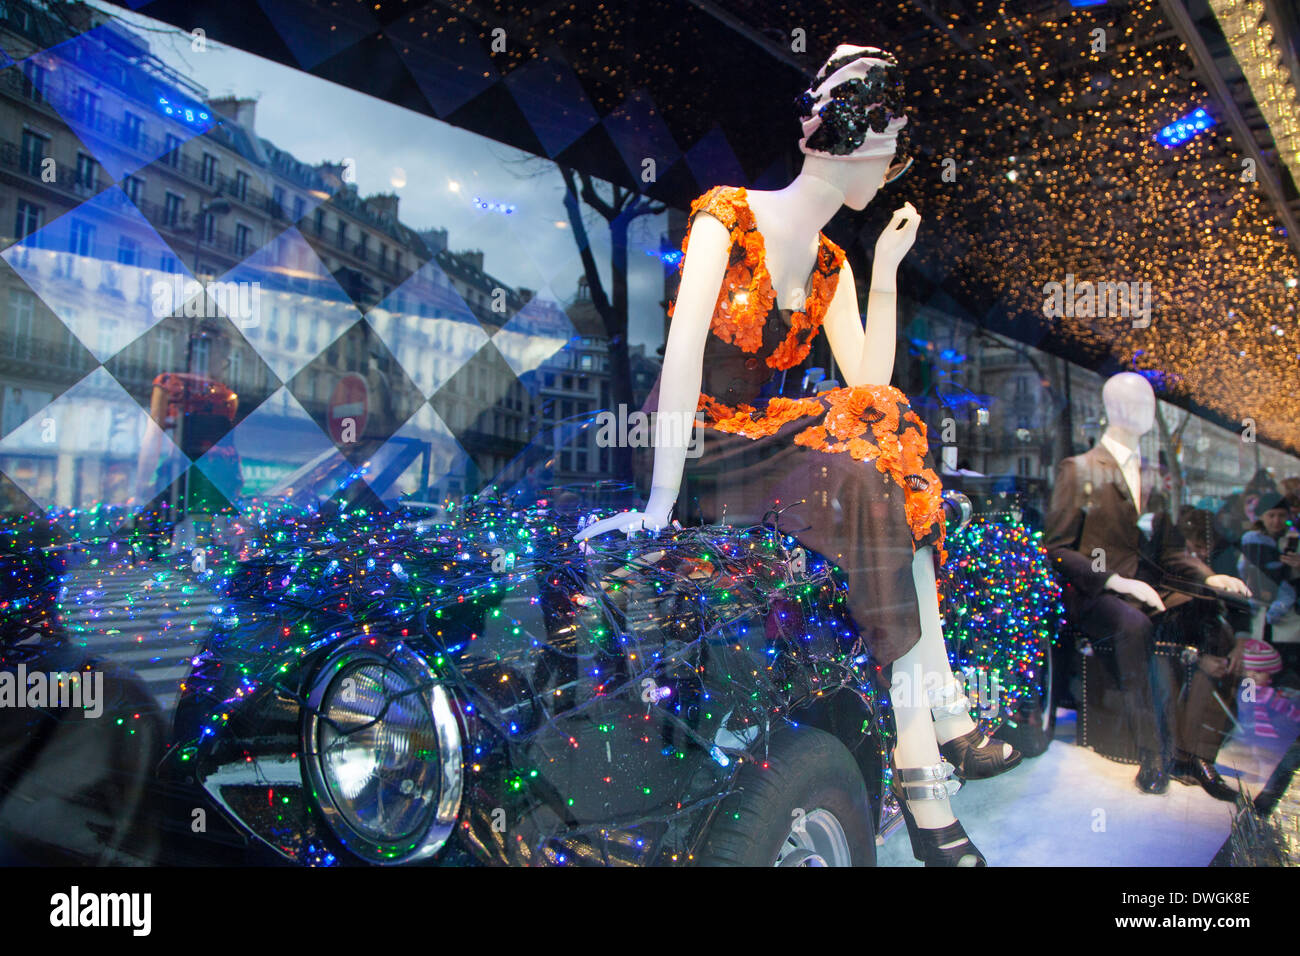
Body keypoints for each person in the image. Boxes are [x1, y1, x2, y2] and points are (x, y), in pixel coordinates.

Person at [578, 44, 1018, 866]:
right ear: (849, 143)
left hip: (764, 437)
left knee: (881, 434)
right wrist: (658, 502)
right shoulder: (725, 215)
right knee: (869, 473)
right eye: (885, 155)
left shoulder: (832, 263)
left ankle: (924, 754)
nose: (887, 176)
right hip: (699, 439)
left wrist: (885, 271)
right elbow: (676, 360)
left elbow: (871, 378)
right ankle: (936, 735)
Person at [1044, 373, 1251, 795]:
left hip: (1151, 589)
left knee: (1219, 627)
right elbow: (1059, 548)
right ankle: (1153, 753)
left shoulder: (1152, 475)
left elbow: (1172, 546)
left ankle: (1195, 755)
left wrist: (1211, 576)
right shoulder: (1079, 469)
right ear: (1113, 408)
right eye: (1135, 401)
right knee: (1135, 628)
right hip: (1098, 594)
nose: (1146, 410)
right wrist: (1117, 580)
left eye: (1149, 402)